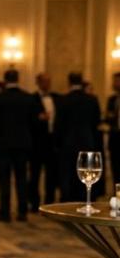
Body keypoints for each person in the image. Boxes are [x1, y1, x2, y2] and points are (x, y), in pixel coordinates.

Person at [0, 69, 39, 222]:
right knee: (22, 178)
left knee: (4, 179)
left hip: (3, 144)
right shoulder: (28, 98)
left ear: (5, 79)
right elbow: (34, 124)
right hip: (23, 144)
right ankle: (22, 211)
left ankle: (5, 212)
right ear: (18, 79)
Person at [55, 72, 102, 201]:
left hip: (67, 143)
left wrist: (57, 144)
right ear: (81, 82)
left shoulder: (62, 100)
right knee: (86, 175)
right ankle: (85, 200)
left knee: (67, 176)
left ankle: (67, 203)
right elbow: (96, 122)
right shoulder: (92, 99)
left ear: (69, 82)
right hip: (87, 142)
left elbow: (58, 125)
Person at [30, 73, 59, 209]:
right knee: (34, 174)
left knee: (52, 174)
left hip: (53, 141)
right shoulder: (32, 99)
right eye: (45, 81)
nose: (47, 84)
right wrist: (38, 118)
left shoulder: (57, 98)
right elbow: (28, 119)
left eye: (49, 81)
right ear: (38, 83)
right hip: (37, 142)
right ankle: (34, 202)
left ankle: (49, 202)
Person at [106, 72, 120, 191]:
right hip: (114, 140)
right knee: (115, 170)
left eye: (117, 81)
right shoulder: (111, 100)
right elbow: (108, 117)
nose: (114, 84)